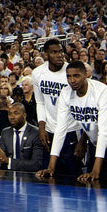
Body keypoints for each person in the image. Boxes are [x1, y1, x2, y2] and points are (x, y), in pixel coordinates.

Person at [36, 61, 107, 182]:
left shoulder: (102, 91)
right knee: (92, 188)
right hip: (95, 145)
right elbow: (60, 130)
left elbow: (104, 132)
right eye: (69, 76)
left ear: (85, 75)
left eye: (76, 76)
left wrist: (96, 171)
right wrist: (50, 167)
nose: (72, 80)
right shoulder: (66, 93)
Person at [32, 38, 83, 177]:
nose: (59, 55)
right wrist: (41, 128)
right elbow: (40, 102)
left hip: (71, 130)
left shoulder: (72, 73)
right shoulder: (37, 73)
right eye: (54, 52)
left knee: (73, 178)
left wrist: (82, 139)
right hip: (49, 131)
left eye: (61, 51)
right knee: (49, 176)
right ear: (46, 55)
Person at [0, 102, 43, 171]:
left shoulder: (35, 133)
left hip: (30, 177)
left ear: (24, 115)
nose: (12, 117)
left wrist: (9, 161)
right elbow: (1, 158)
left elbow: (36, 164)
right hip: (8, 176)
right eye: (10, 114)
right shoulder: (5, 132)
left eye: (16, 113)